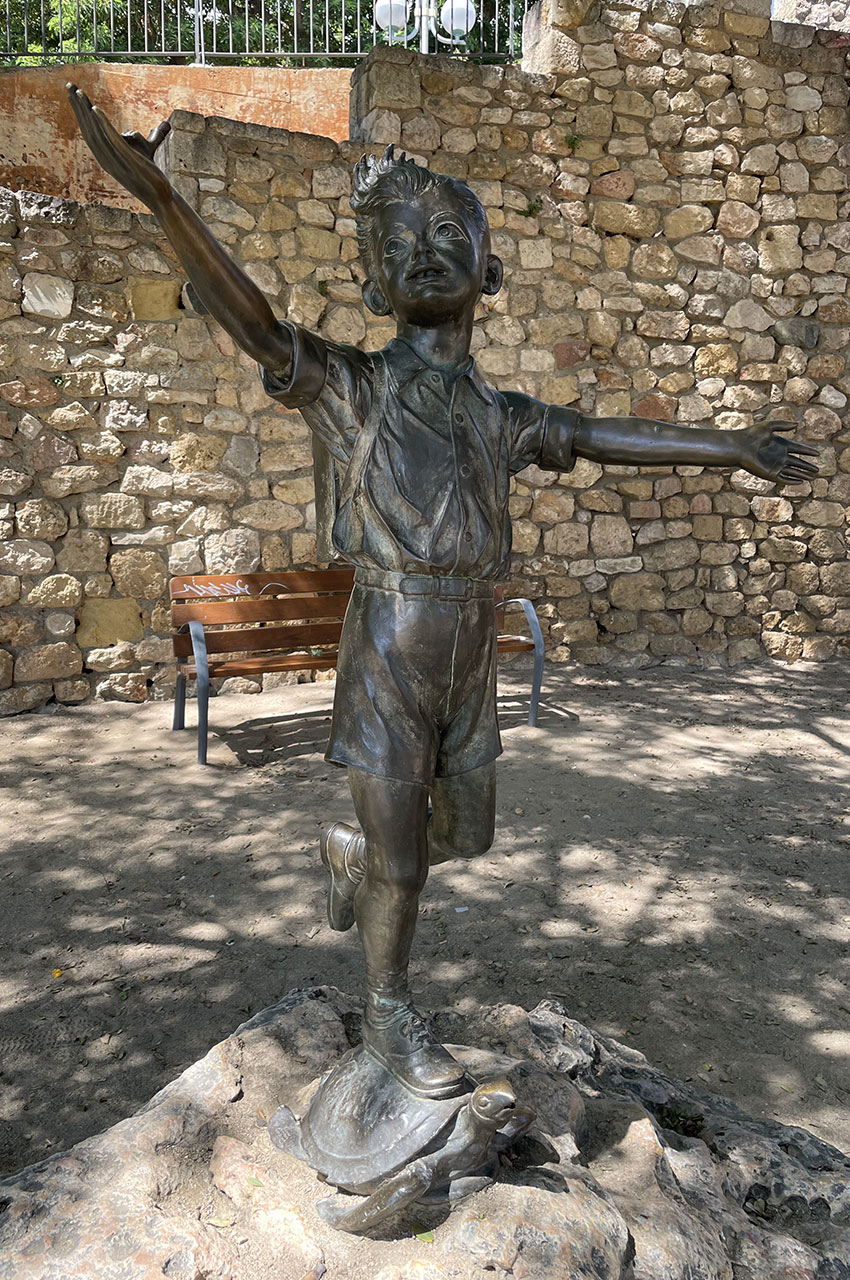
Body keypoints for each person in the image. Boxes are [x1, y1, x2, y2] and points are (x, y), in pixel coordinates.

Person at [68, 89, 819, 1101]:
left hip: (469, 648)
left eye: (445, 233)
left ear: (487, 268)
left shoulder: (500, 414)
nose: (423, 251)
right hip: (387, 642)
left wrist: (728, 446)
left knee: (462, 832)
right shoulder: (349, 390)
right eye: (398, 242)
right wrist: (164, 203)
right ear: (375, 283)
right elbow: (250, 319)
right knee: (411, 869)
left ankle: (355, 850)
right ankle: (388, 1009)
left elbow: (602, 434)